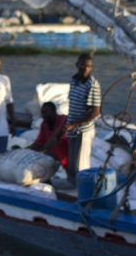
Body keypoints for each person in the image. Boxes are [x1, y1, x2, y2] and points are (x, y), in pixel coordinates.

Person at [63, 53, 101, 184]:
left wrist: (73, 124)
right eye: (83, 66)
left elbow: (95, 112)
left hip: (83, 130)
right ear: (77, 65)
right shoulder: (74, 81)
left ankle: (83, 191)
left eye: (88, 67)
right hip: (73, 130)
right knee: (72, 164)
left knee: (81, 165)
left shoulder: (92, 84)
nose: (85, 69)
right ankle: (73, 188)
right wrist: (68, 124)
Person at [29, 101, 69, 170]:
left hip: (67, 157)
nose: (43, 115)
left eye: (45, 113)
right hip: (55, 156)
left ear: (53, 111)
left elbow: (56, 139)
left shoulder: (63, 121)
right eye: (42, 113)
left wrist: (42, 151)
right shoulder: (44, 124)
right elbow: (38, 143)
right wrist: (23, 150)